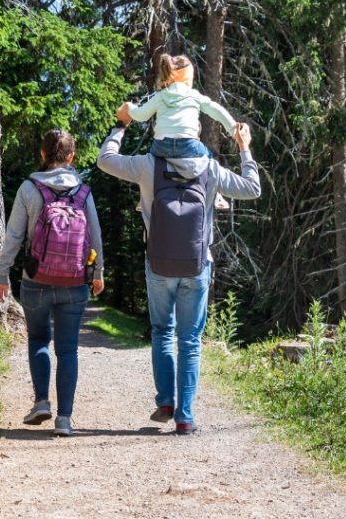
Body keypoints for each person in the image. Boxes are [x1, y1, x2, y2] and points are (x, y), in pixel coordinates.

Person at [96, 108, 261, 435]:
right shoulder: (211, 169)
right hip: (197, 264)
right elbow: (252, 188)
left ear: (161, 131)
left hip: (157, 262)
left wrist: (121, 124)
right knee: (190, 339)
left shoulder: (146, 165)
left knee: (162, 331)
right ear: (196, 134)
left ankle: (165, 402)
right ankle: (185, 417)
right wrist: (244, 146)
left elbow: (105, 159)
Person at [0, 130, 105, 437]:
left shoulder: (30, 189)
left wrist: (2, 274)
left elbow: (14, 236)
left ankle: (41, 401)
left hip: (35, 279)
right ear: (71, 158)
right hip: (74, 282)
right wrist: (98, 273)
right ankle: (65, 419)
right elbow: (95, 235)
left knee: (39, 339)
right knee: (68, 351)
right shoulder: (83, 192)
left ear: (42, 155)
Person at [118, 54, 245, 210]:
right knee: (209, 159)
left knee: (150, 165)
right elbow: (216, 110)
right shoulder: (193, 95)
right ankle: (217, 195)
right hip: (188, 144)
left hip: (161, 146)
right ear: (187, 78)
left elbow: (141, 115)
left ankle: (145, 197)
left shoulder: (161, 96)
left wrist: (129, 107)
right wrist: (233, 128)